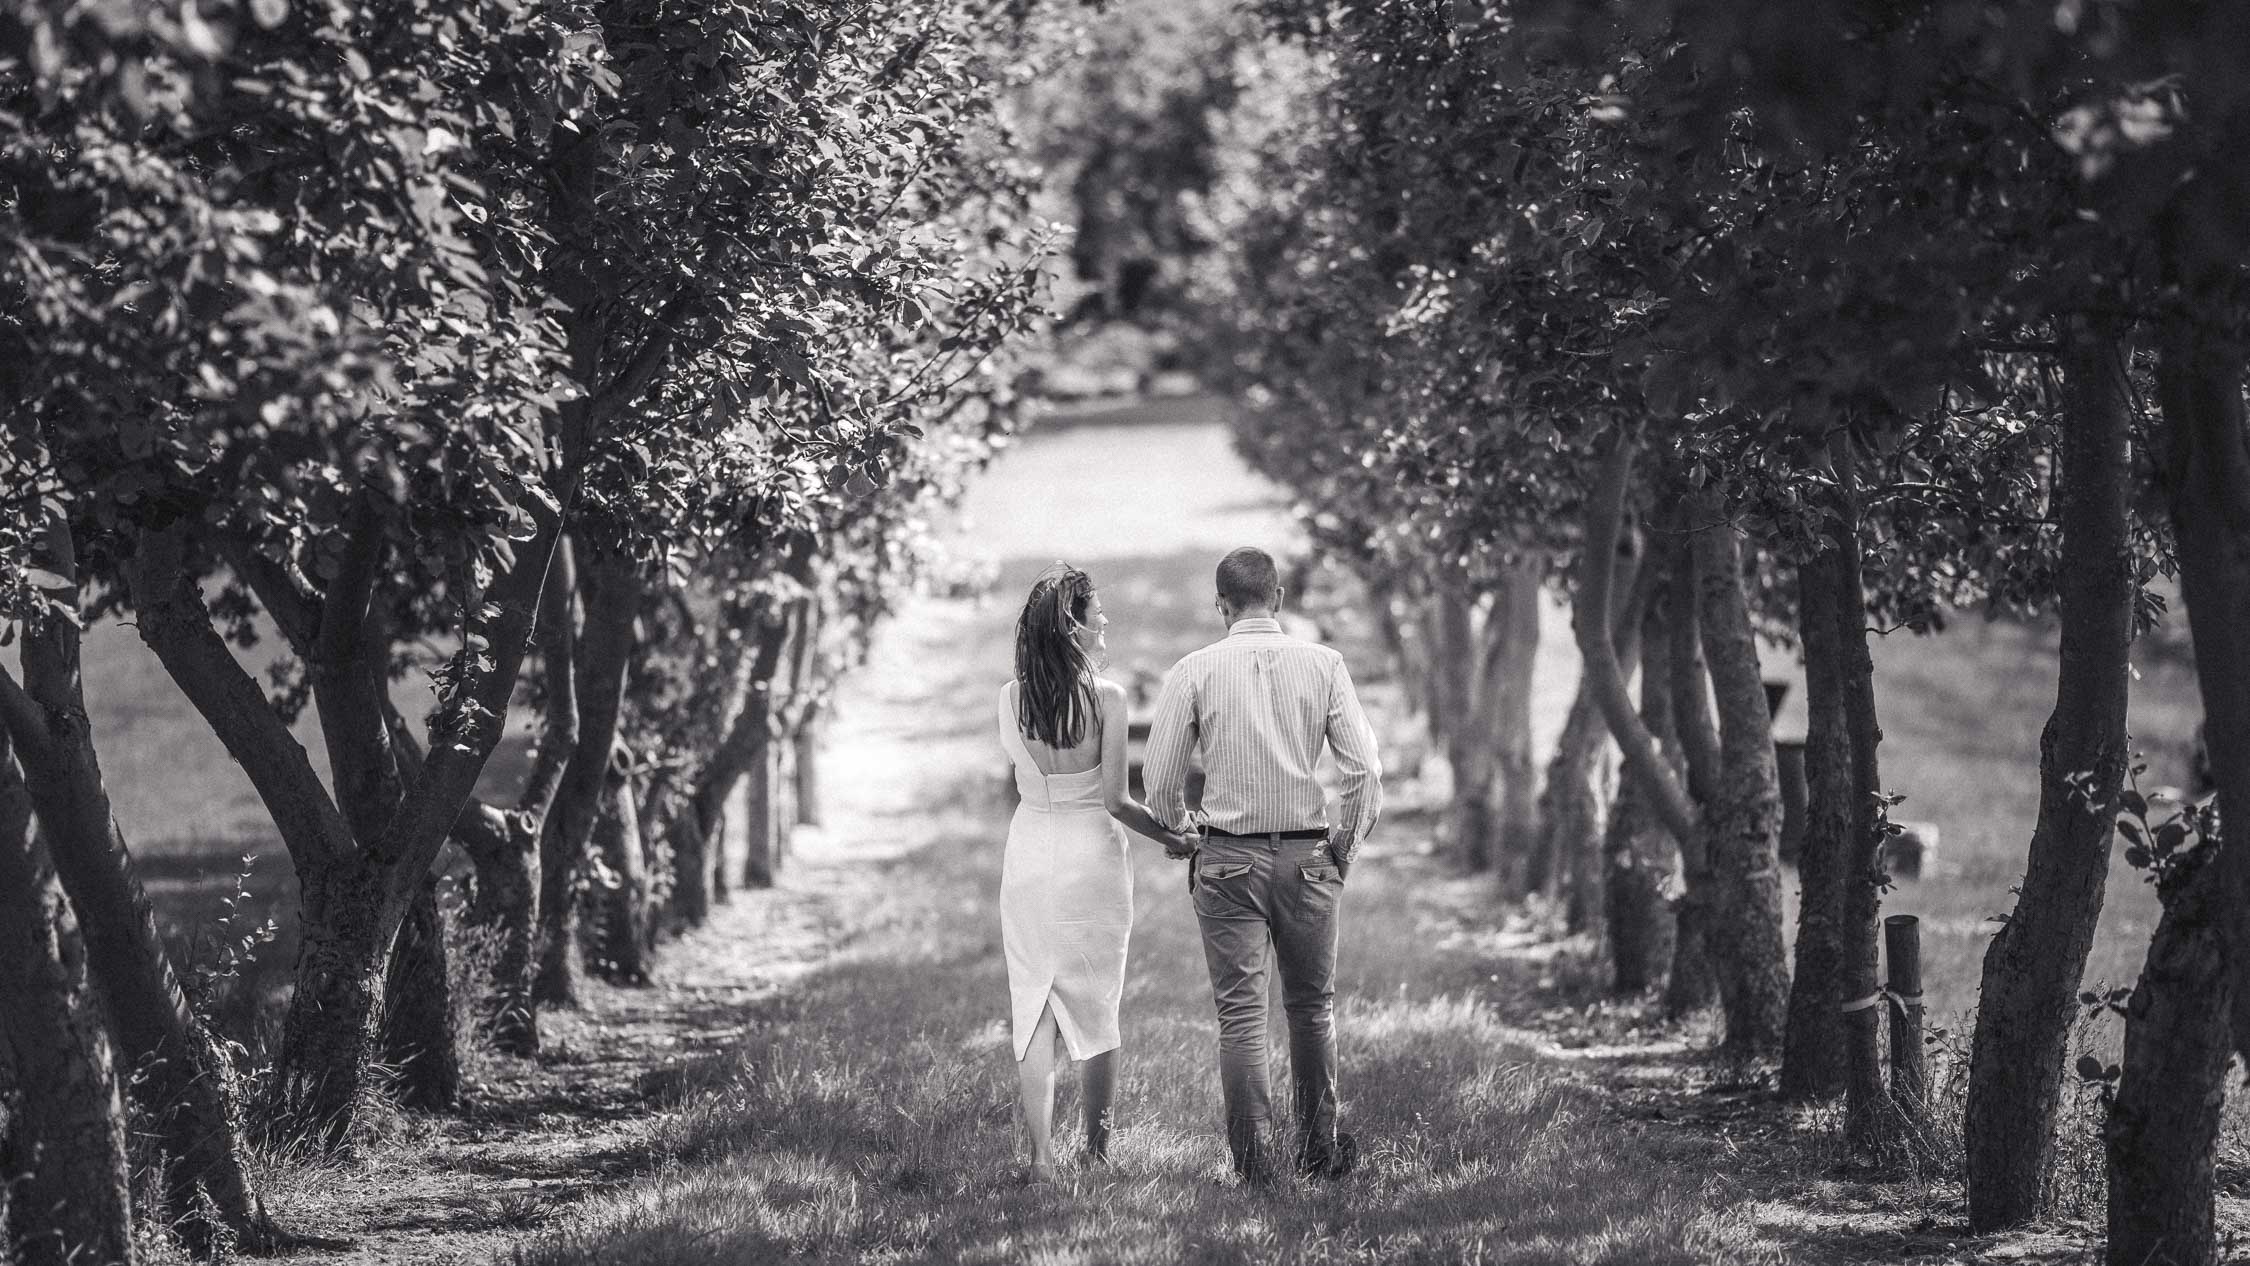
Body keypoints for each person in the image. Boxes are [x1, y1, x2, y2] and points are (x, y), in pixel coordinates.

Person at [1142, 546, 1383, 1185]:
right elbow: (1365, 772)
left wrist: (1186, 835)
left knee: (1242, 1017)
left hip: (1224, 860)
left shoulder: (1192, 670)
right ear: (1277, 598)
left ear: (1221, 606)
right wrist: (1341, 851)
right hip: (1308, 857)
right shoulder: (1325, 663)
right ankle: (1318, 1154)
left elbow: (1160, 781)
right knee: (1311, 1009)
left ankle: (1254, 1170)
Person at [998, 564, 1198, 1184]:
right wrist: (1174, 836)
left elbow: (1024, 784)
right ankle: (1098, 1149)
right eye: (1097, 612)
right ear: (1075, 626)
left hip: (1030, 853)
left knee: (1034, 1003)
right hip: (1090, 858)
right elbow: (1115, 799)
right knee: (1097, 997)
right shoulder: (1106, 698)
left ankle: (1039, 1160)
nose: (1105, 620)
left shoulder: (1009, 698)